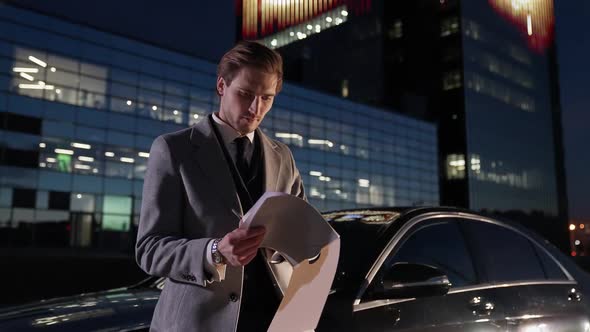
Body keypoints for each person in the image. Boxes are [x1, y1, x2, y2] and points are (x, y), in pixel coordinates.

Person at [135, 40, 306, 332]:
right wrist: (214, 251)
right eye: (246, 94)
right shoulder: (173, 150)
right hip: (199, 322)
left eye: (267, 97)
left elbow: (302, 235)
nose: (256, 108)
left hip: (275, 319)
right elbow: (149, 249)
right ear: (221, 86)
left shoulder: (283, 156)